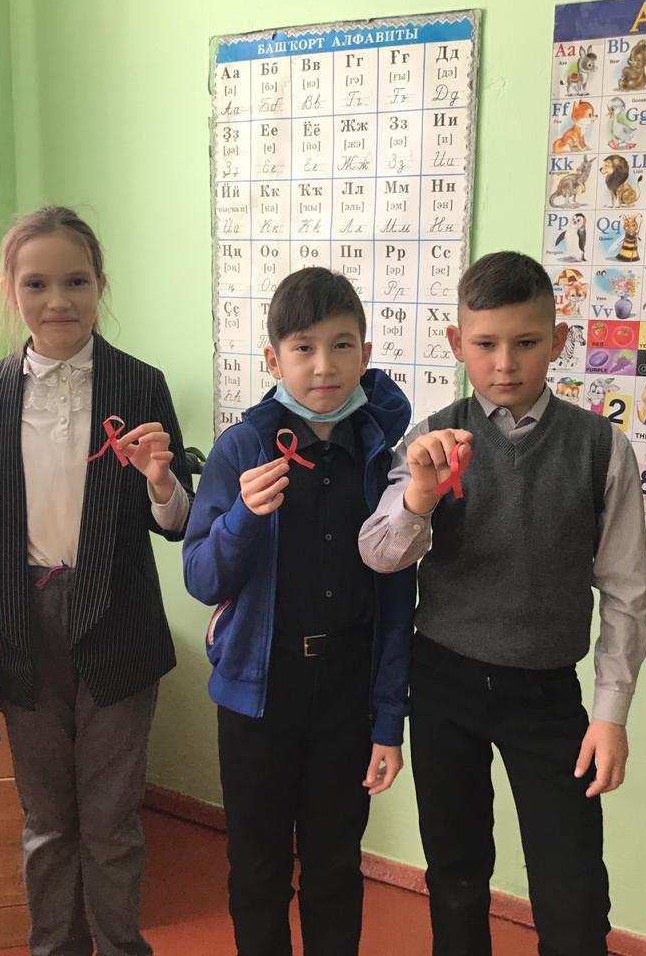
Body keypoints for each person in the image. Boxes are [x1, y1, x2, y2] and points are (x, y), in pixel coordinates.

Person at [360, 250, 646, 956]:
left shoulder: (599, 447)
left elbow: (625, 589)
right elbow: (381, 554)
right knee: (456, 873)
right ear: (457, 344)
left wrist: (610, 712)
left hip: (547, 694)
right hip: (444, 682)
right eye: (485, 344)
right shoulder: (430, 439)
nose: (505, 364)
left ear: (557, 340)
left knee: (573, 890)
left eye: (526, 342)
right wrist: (420, 496)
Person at [0, 205, 193, 956]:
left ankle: (122, 946)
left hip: (119, 618)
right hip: (23, 622)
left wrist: (160, 481)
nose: (58, 299)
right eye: (36, 283)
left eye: (76, 281)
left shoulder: (141, 383)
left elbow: (177, 523)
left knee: (112, 820)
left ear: (100, 285)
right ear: (11, 291)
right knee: (47, 820)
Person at [183, 267, 414, 956]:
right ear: (273, 359)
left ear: (365, 355)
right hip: (257, 696)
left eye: (342, 346)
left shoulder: (378, 452)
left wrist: (389, 718)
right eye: (303, 348)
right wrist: (244, 518)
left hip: (345, 695)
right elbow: (201, 576)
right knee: (257, 869)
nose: (323, 366)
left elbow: (396, 596)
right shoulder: (242, 448)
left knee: (335, 867)